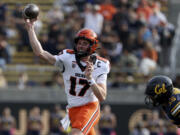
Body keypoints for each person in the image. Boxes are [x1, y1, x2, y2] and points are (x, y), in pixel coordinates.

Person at [24, 17, 110, 135]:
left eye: (84, 43)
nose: (80, 46)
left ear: (93, 46)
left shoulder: (101, 65)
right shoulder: (67, 57)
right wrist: (30, 29)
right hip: (73, 109)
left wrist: (90, 79)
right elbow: (41, 53)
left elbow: (102, 96)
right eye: (79, 43)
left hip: (89, 107)